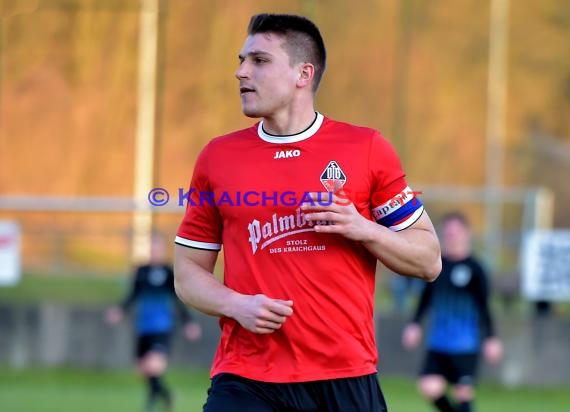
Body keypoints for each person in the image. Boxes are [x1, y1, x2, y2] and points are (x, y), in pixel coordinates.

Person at [174, 13, 441, 412]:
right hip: (246, 377)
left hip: (344, 378)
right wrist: (236, 305)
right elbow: (187, 272)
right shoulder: (218, 157)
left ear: (303, 74)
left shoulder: (366, 148)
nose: (241, 71)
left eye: (259, 61)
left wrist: (363, 228)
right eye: (241, 59)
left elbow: (429, 260)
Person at [402, 212, 503, 412]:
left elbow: (484, 305)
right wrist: (415, 324)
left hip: (465, 344)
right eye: (448, 233)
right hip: (438, 342)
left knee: (463, 393)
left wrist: (491, 337)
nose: (452, 237)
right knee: (429, 386)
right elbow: (426, 298)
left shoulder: (475, 268)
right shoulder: (437, 266)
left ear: (466, 234)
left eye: (456, 233)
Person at [106, 234, 202, 412]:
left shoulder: (168, 273)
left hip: (162, 327)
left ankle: (150, 405)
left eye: (157, 249)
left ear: (163, 251)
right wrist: (120, 310)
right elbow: (133, 295)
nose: (153, 252)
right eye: (151, 249)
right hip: (143, 327)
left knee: (154, 365)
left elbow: (177, 299)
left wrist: (188, 322)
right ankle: (166, 395)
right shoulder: (141, 271)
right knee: (142, 369)